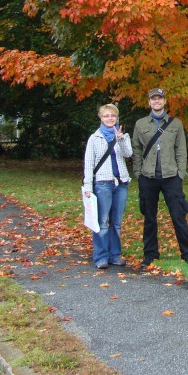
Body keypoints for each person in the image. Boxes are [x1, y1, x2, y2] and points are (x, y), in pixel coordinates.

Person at [132, 87, 188, 268]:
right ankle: (150, 254)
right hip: (148, 176)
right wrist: (138, 172)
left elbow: (181, 150)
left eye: (159, 98)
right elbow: (136, 149)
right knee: (149, 217)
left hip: (171, 176)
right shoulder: (141, 124)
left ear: (165, 101)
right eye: (153, 99)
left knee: (178, 215)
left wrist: (180, 173)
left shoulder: (175, 124)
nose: (157, 101)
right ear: (149, 102)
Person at [83, 103, 132, 269]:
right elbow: (89, 164)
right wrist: (88, 186)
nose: (110, 118)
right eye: (106, 116)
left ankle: (114, 255)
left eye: (113, 116)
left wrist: (122, 139)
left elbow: (128, 154)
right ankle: (101, 257)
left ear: (117, 118)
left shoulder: (122, 136)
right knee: (102, 222)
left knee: (116, 222)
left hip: (121, 183)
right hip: (103, 184)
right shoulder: (94, 138)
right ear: (101, 118)